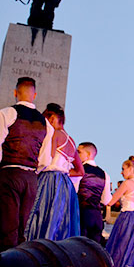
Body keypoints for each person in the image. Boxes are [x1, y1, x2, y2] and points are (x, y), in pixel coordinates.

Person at [0, 77, 52, 249]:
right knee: (20, 232)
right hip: (30, 179)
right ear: (35, 95)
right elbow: (44, 160)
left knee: (5, 232)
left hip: (10, 175)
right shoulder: (46, 124)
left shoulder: (6, 114)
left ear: (15, 93)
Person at [24, 103, 83, 241]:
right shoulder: (72, 141)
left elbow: (46, 159)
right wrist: (65, 171)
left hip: (50, 179)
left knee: (41, 214)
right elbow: (80, 171)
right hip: (65, 184)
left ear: (51, 119)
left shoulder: (54, 134)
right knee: (60, 220)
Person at [76, 142, 112, 244]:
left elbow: (73, 191)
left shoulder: (79, 170)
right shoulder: (104, 174)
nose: (76, 154)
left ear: (88, 154)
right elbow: (106, 200)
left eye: (79, 152)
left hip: (81, 215)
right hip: (96, 216)